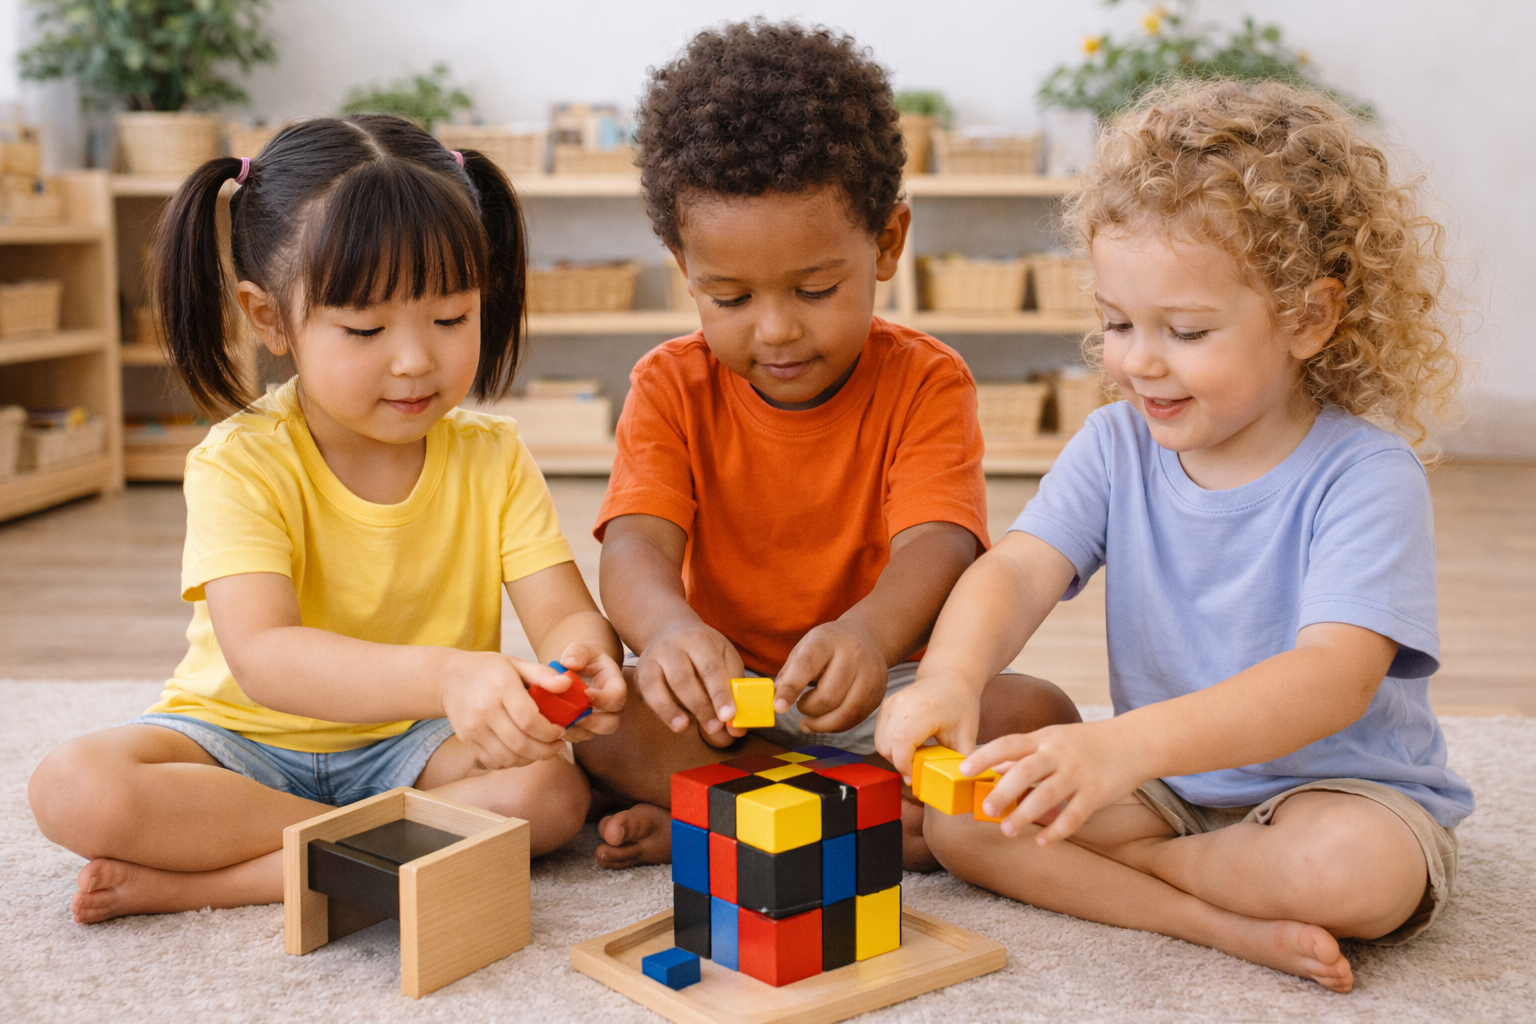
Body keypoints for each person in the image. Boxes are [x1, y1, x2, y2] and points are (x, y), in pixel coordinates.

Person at [876, 80, 1471, 993]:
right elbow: (1021, 568)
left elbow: (1333, 677)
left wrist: (1120, 749)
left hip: (1339, 795)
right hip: (1176, 794)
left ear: (1309, 319)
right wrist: (953, 676)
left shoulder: (1365, 474)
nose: (1139, 360)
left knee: (1352, 873)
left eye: (1186, 331)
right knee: (967, 824)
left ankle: (1163, 879)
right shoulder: (1116, 445)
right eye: (1118, 323)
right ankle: (1215, 922)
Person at [28, 115, 626, 924]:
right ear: (270, 318)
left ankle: (225, 880)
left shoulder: (494, 454)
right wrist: (450, 674)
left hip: (410, 747)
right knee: (73, 786)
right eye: (366, 329)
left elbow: (559, 611)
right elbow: (267, 657)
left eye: (450, 318)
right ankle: (371, 854)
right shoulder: (239, 461)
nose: (415, 358)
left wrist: (580, 660)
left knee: (550, 791)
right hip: (239, 744)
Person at [576, 20, 1080, 871]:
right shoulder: (668, 384)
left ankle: (726, 820)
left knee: (1040, 717)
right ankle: (843, 822)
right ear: (682, 265)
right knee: (604, 720)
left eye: (814, 288)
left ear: (887, 243)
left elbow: (941, 542)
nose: (776, 330)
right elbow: (635, 542)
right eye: (729, 298)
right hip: (728, 707)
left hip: (886, 694)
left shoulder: (927, 380)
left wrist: (871, 636)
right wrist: (666, 632)